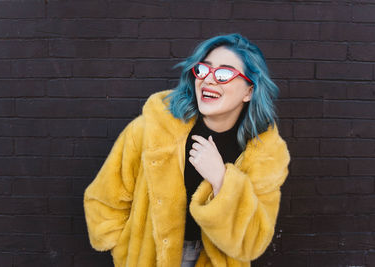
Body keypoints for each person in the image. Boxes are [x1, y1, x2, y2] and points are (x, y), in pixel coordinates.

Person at [83, 33, 290, 267]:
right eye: (203, 70)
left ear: (249, 91)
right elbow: (104, 199)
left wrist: (221, 180)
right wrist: (125, 251)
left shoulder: (265, 154)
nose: (209, 80)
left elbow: (253, 243)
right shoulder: (149, 131)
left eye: (223, 74)